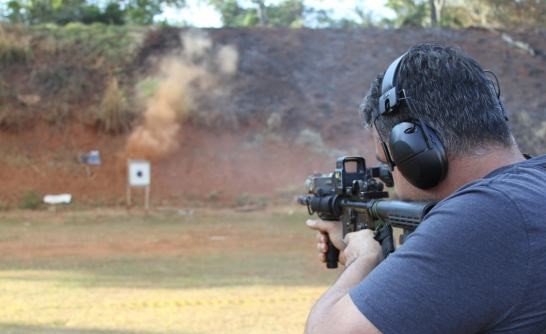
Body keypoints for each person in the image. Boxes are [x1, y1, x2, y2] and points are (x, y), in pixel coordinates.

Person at [304, 43, 546, 334]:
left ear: (414, 151)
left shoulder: (486, 216)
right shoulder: (528, 191)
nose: (392, 179)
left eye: (388, 164)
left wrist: (362, 259)